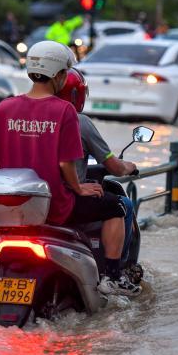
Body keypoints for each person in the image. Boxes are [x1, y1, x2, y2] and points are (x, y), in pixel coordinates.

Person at [0, 40, 140, 296]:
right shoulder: (65, 112)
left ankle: (1, 271)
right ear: (60, 75)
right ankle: (113, 277)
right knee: (116, 205)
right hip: (58, 208)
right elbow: (65, 162)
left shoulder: (4, 107)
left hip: (17, 209)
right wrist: (78, 188)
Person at [57, 67, 139, 265]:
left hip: (34, 200)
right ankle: (113, 272)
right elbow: (114, 166)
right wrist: (129, 166)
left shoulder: (31, 117)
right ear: (76, 94)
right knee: (122, 205)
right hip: (65, 199)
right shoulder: (80, 122)